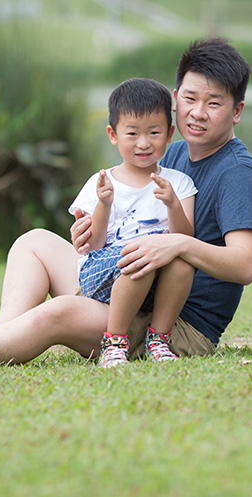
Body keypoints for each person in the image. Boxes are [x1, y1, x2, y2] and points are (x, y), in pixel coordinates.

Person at [0, 38, 252, 372]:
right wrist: (92, 230)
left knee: (58, 313)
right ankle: (0, 332)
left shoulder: (237, 173)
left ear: (237, 110)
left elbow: (244, 265)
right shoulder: (169, 152)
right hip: (126, 286)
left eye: (215, 103)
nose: (198, 113)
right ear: (175, 99)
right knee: (34, 242)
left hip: (174, 327)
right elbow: (128, 222)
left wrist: (175, 246)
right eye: (190, 99)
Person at [72, 77, 196, 367]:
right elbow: (94, 244)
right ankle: (113, 343)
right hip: (101, 276)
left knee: (182, 261)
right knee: (139, 255)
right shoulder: (101, 182)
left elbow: (186, 239)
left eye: (154, 132)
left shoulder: (179, 183)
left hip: (154, 282)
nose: (143, 143)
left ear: (169, 134)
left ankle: (159, 341)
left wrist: (172, 204)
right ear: (113, 135)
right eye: (132, 134)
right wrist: (104, 204)